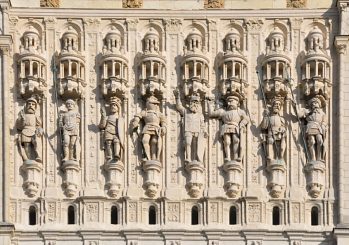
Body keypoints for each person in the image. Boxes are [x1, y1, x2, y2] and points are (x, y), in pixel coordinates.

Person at [207, 95, 248, 162]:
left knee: (236, 141)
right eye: (228, 101)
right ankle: (228, 157)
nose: (229, 103)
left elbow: (246, 119)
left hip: (235, 127)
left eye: (231, 101)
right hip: (226, 127)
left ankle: (235, 156)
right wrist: (210, 104)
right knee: (227, 142)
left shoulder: (240, 111)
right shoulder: (223, 111)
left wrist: (242, 124)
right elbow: (211, 114)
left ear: (237, 102)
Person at [174, 90, 207, 162]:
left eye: (196, 103)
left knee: (195, 144)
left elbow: (202, 124)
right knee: (188, 142)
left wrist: (204, 131)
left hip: (197, 130)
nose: (194, 104)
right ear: (190, 103)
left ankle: (195, 158)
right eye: (193, 102)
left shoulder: (200, 115)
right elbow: (179, 107)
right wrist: (177, 98)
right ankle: (188, 157)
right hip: (188, 130)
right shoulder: (186, 111)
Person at [131, 96, 166, 161]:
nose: (155, 105)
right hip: (147, 127)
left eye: (156, 104)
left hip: (156, 128)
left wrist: (163, 127)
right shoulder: (145, 112)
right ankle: (147, 156)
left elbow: (163, 121)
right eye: (154, 104)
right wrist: (135, 122)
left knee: (154, 141)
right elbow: (138, 116)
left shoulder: (159, 113)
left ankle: (155, 156)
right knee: (145, 140)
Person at [298, 96, 327, 162]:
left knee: (320, 141)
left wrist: (323, 126)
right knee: (312, 141)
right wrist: (306, 112)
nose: (314, 104)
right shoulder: (308, 112)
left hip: (318, 127)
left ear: (319, 105)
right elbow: (299, 116)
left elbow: (324, 121)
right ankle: (313, 158)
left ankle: (319, 157)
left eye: (316, 103)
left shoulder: (322, 113)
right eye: (313, 103)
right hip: (310, 127)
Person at [17, 97, 43, 162]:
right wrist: (22, 119)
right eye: (29, 104)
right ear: (26, 106)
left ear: (35, 107)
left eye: (33, 104)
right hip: (25, 131)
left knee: (36, 143)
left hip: (33, 132)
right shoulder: (23, 116)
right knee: (27, 146)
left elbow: (39, 125)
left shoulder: (36, 116)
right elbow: (19, 127)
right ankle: (28, 159)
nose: (31, 105)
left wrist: (39, 130)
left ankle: (38, 156)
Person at [99, 97, 124, 162]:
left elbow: (121, 127)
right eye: (112, 106)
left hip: (116, 132)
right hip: (108, 131)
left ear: (118, 108)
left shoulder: (120, 118)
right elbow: (102, 126)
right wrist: (103, 117)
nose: (113, 107)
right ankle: (109, 156)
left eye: (115, 105)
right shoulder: (108, 117)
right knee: (108, 143)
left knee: (117, 141)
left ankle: (116, 154)